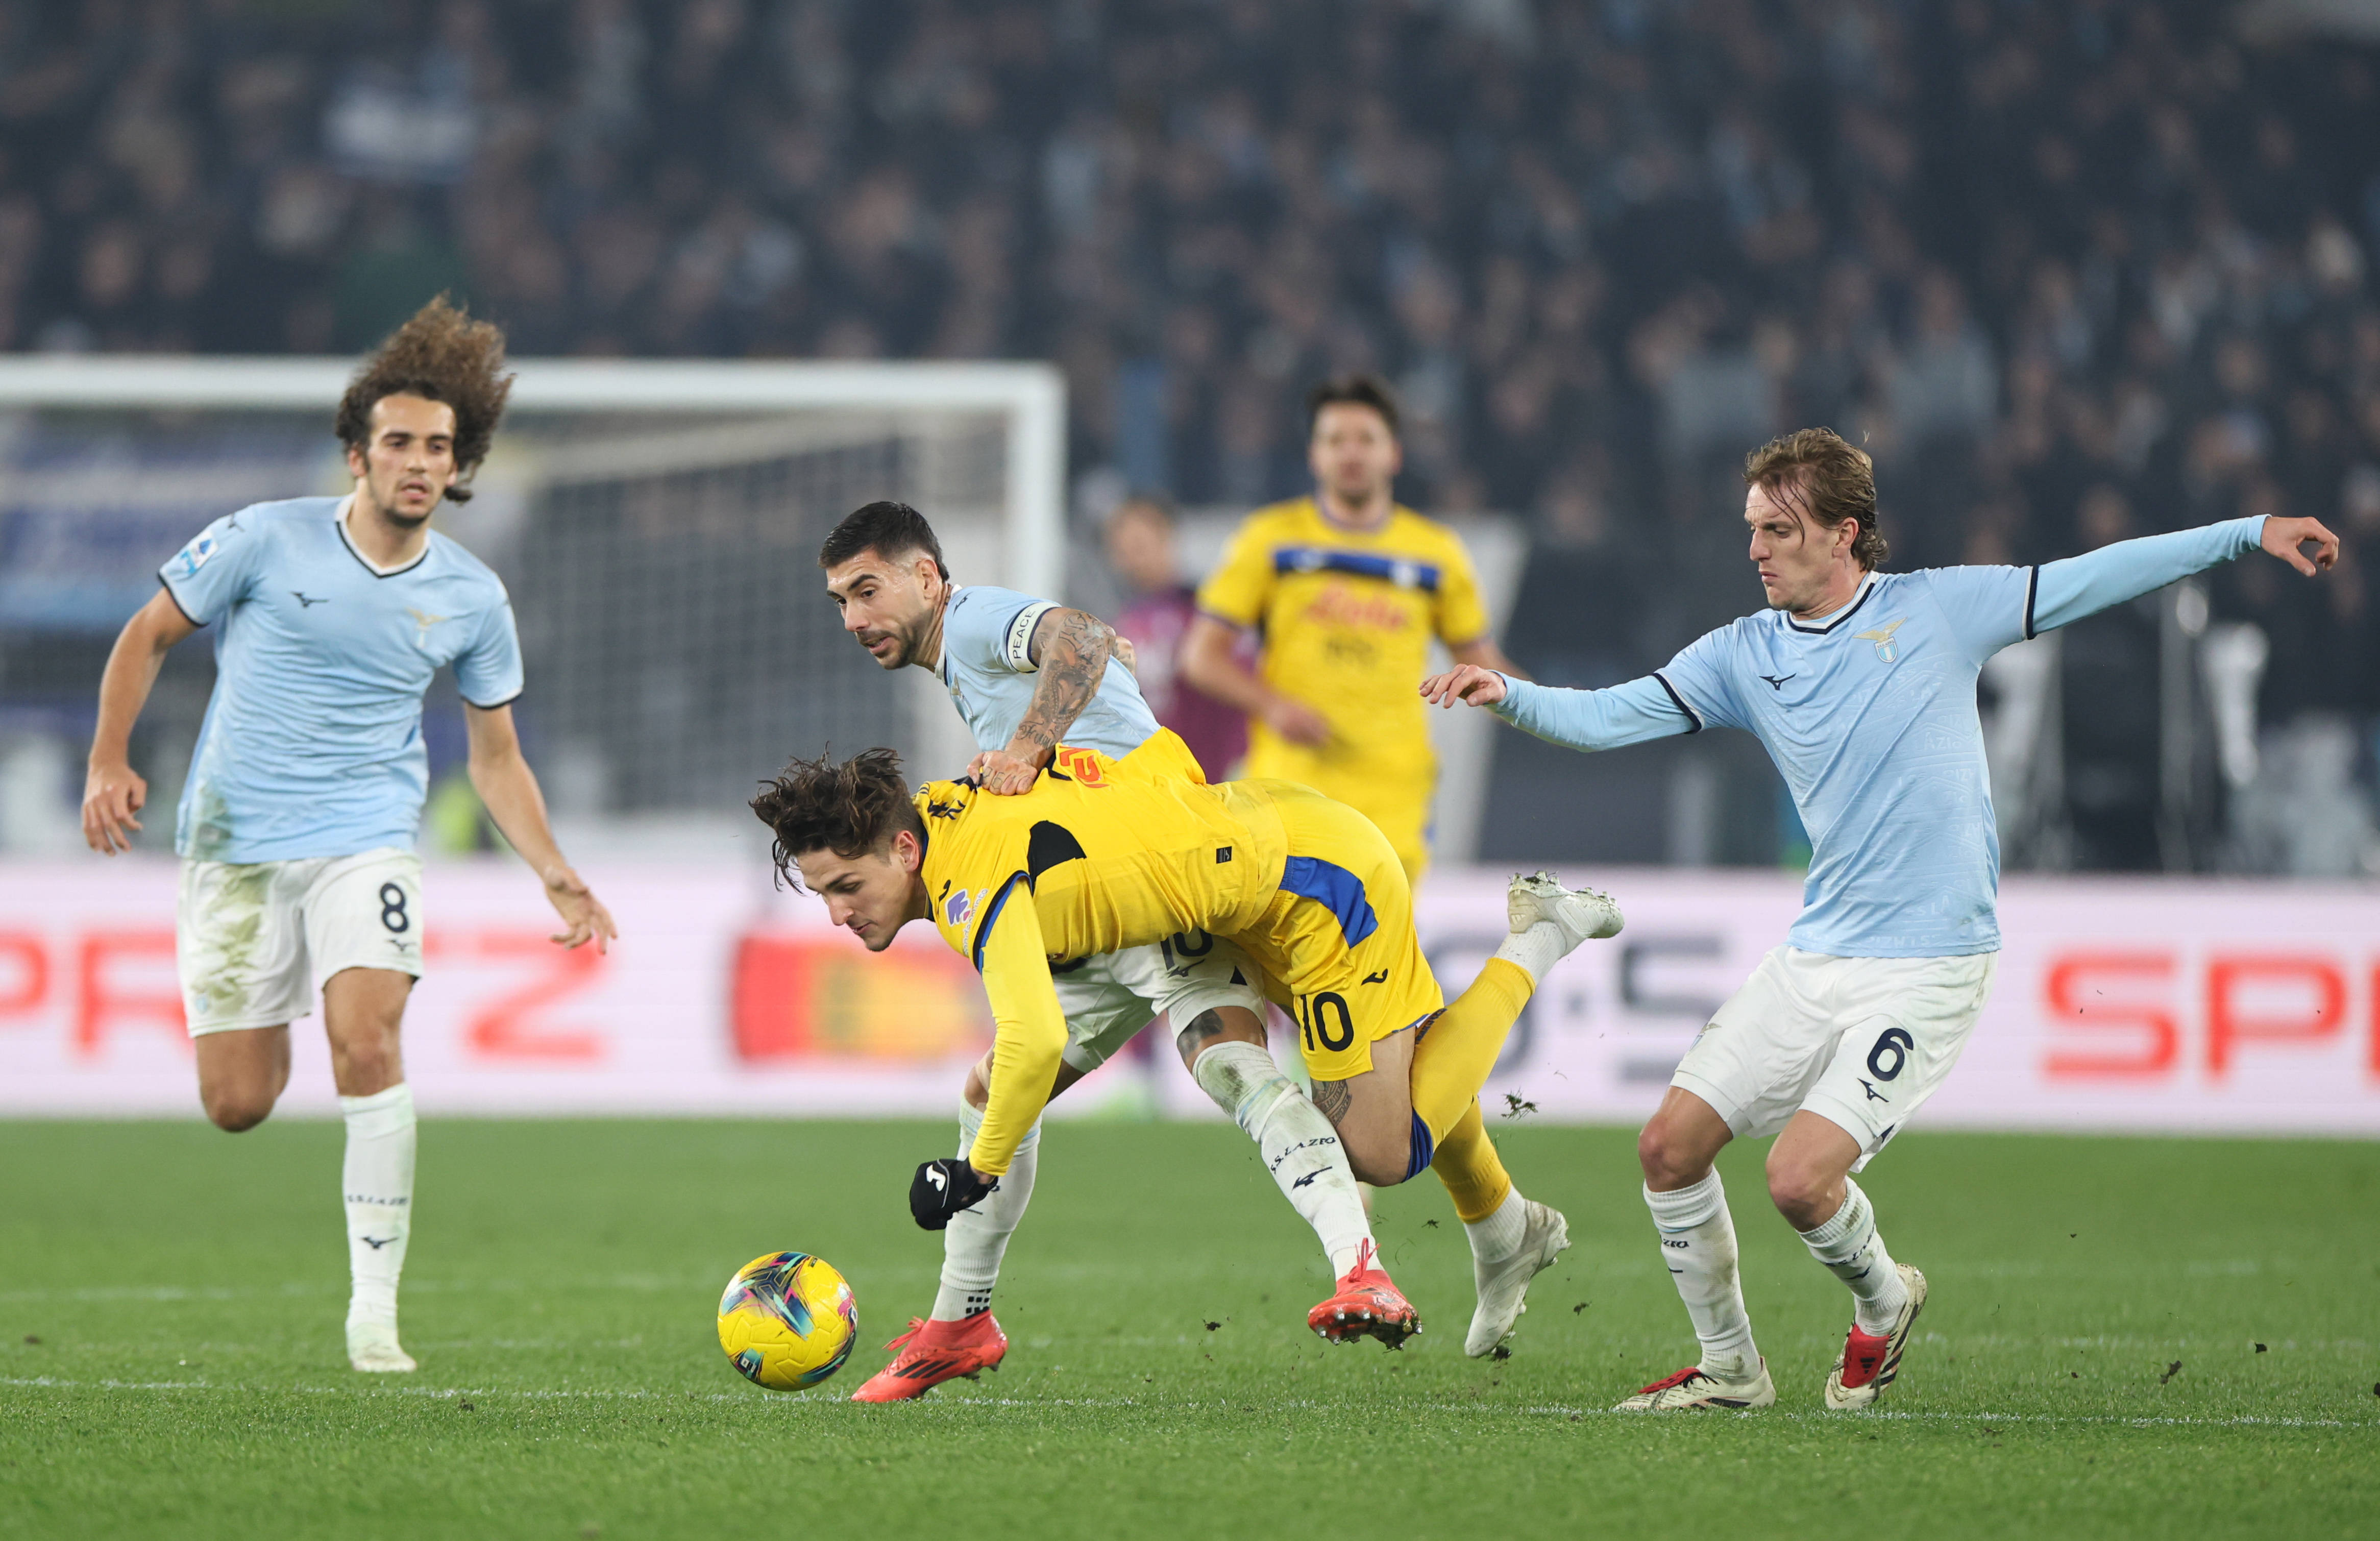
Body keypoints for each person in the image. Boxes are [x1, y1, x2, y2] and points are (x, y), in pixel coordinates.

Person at [1420, 427, 2339, 1412]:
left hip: (1929, 963)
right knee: (1666, 1148)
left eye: (1778, 529)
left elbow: (2099, 575)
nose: (1755, 549)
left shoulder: (1936, 609)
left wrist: (2247, 530)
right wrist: (1507, 694)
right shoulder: (1742, 653)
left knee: (1796, 1179)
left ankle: (1884, 1297)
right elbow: (1609, 715)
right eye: (1751, 528)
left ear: (1842, 533)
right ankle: (1730, 1368)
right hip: (1815, 954)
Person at [814, 501, 1579, 1399]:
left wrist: (1029, 741)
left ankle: (1370, 1259)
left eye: (866, 590)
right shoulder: (964, 655)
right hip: (1104, 892)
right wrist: (1085, 687)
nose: (853, 618)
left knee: (1273, 1086)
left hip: (1161, 872)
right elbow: (1090, 647)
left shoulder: (972, 618)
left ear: (926, 577)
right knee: (1001, 1091)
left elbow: (1076, 636)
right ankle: (960, 1319)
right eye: (840, 601)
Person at [79, 297, 618, 1375]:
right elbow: (148, 634)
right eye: (399, 443)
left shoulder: (471, 595)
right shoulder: (263, 536)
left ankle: (375, 1314)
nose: (419, 464)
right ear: (358, 455)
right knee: (238, 1103)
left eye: (438, 448)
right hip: (234, 840)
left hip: (366, 836)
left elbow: (496, 757)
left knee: (368, 1041)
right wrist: (107, 759)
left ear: (459, 465)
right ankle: (273, 1015)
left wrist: (555, 870)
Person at [747, 737, 1620, 1359]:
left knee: (1382, 1150)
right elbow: (1140, 743)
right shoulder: (946, 803)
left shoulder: (968, 882)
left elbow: (1033, 1035)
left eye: (847, 885)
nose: (839, 912)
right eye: (824, 893)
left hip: (1313, 885)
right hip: (1238, 876)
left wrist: (976, 1168)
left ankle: (1536, 938)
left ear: (904, 848)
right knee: (1379, 1078)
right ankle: (1503, 1225)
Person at [1180, 375, 1520, 883]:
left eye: (1366, 439)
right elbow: (1201, 657)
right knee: (1282, 929)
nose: (1351, 453)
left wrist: (1555, 709)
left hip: (1393, 796)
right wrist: (1272, 705)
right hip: (1290, 786)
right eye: (1335, 440)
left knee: (1380, 933)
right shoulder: (1271, 540)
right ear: (1314, 456)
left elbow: (1484, 669)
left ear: (1394, 454)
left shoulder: (1436, 554)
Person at [1103, 493, 1246, 776]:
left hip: (1206, 770)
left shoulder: (1206, 614)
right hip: (1151, 771)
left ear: (1167, 540)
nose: (1131, 561)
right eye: (1122, 550)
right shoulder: (1123, 619)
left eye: (1139, 546)